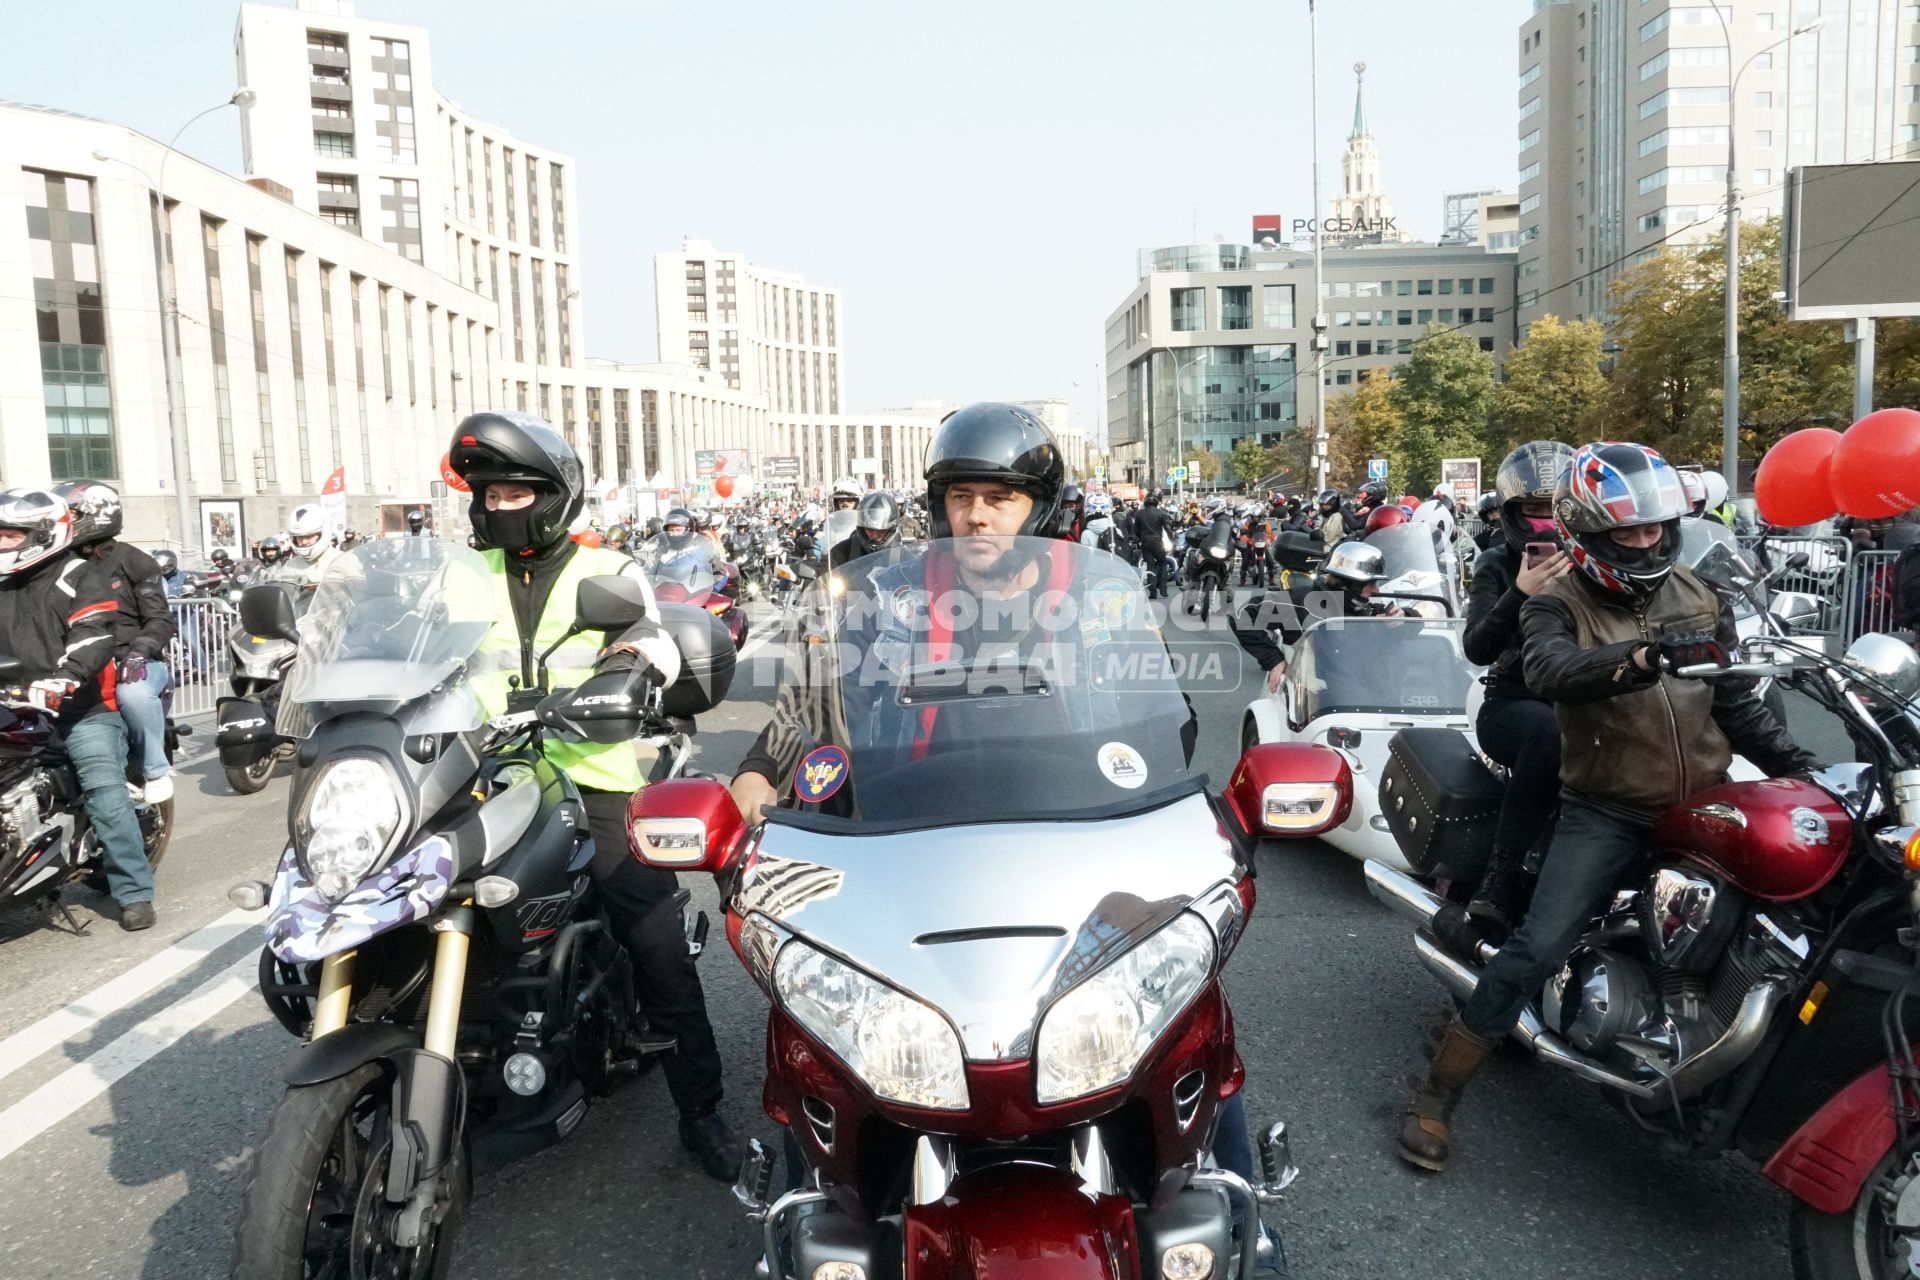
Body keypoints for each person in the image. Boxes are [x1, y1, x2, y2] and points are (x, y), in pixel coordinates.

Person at [1397, 442, 1815, 1174]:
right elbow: (1552, 672)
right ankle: (1436, 1094)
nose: (1647, 540)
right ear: (1590, 533)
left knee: (1799, 913)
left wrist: (1800, 768)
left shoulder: (1697, 594)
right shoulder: (1557, 602)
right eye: (1628, 532)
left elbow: (1739, 705)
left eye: (1655, 526)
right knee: (1537, 944)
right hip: (1609, 806)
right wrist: (1646, 659)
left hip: (1704, 804)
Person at [444, 412, 741, 1180]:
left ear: (554, 495)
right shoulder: (457, 574)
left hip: (588, 778)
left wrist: (631, 675)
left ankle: (701, 1110)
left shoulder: (604, 571)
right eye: (489, 492)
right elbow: (401, 649)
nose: (500, 504)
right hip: (472, 776)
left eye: (517, 490)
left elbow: (652, 641)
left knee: (656, 943)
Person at [0, 489, 156, 930]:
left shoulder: (77, 576)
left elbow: (93, 632)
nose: (1, 544)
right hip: (13, 705)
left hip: (80, 707)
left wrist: (65, 677)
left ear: (44, 534)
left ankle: (134, 892)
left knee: (103, 791)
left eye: (11, 536)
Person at [1456, 441, 1575, 938]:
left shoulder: (1602, 557)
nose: (1546, 520)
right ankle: (1499, 878)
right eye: (1534, 508)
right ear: (1511, 512)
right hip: (1516, 702)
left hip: (1594, 699)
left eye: (1556, 508)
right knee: (1549, 731)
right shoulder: (1494, 563)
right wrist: (1520, 591)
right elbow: (1478, 646)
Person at [53, 482, 177, 805]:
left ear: (99, 514)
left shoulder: (134, 562)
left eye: (74, 514)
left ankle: (155, 769)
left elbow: (161, 619)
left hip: (135, 664)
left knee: (132, 692)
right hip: (85, 662)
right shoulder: (61, 565)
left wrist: (138, 652)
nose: (66, 520)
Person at [1230, 541, 1403, 694]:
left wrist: (1404, 617)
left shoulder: (1367, 607)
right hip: (1313, 702)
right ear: (1351, 582)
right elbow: (1244, 615)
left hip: (1371, 697)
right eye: (1371, 583)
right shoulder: (1300, 602)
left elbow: (1411, 631)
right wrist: (1274, 659)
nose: (1376, 591)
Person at [828, 491, 903, 569]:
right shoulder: (847, 547)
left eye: (881, 531)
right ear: (861, 528)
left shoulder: (903, 553)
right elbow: (828, 562)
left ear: (891, 529)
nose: (874, 535)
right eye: (869, 529)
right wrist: (815, 571)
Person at [1127, 493, 1180, 599]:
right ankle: (1163, 590)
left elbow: (1136, 530)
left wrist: (1139, 539)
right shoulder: (1162, 513)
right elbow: (1168, 529)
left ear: (1145, 503)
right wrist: (1173, 541)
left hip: (1146, 543)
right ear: (1156, 503)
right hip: (1158, 543)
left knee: (1150, 566)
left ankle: (1153, 592)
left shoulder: (1139, 514)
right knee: (1163, 564)